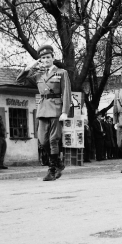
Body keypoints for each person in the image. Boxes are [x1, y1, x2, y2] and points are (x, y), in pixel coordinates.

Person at [16, 43, 72, 181]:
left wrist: (65, 111)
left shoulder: (61, 73)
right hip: (42, 110)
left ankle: (52, 170)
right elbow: (19, 81)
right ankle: (58, 162)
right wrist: (30, 67)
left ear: (53, 57)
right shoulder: (38, 75)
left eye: (48, 57)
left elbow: (66, 93)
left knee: (53, 140)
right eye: (43, 58)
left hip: (56, 110)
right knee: (42, 141)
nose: (46, 60)